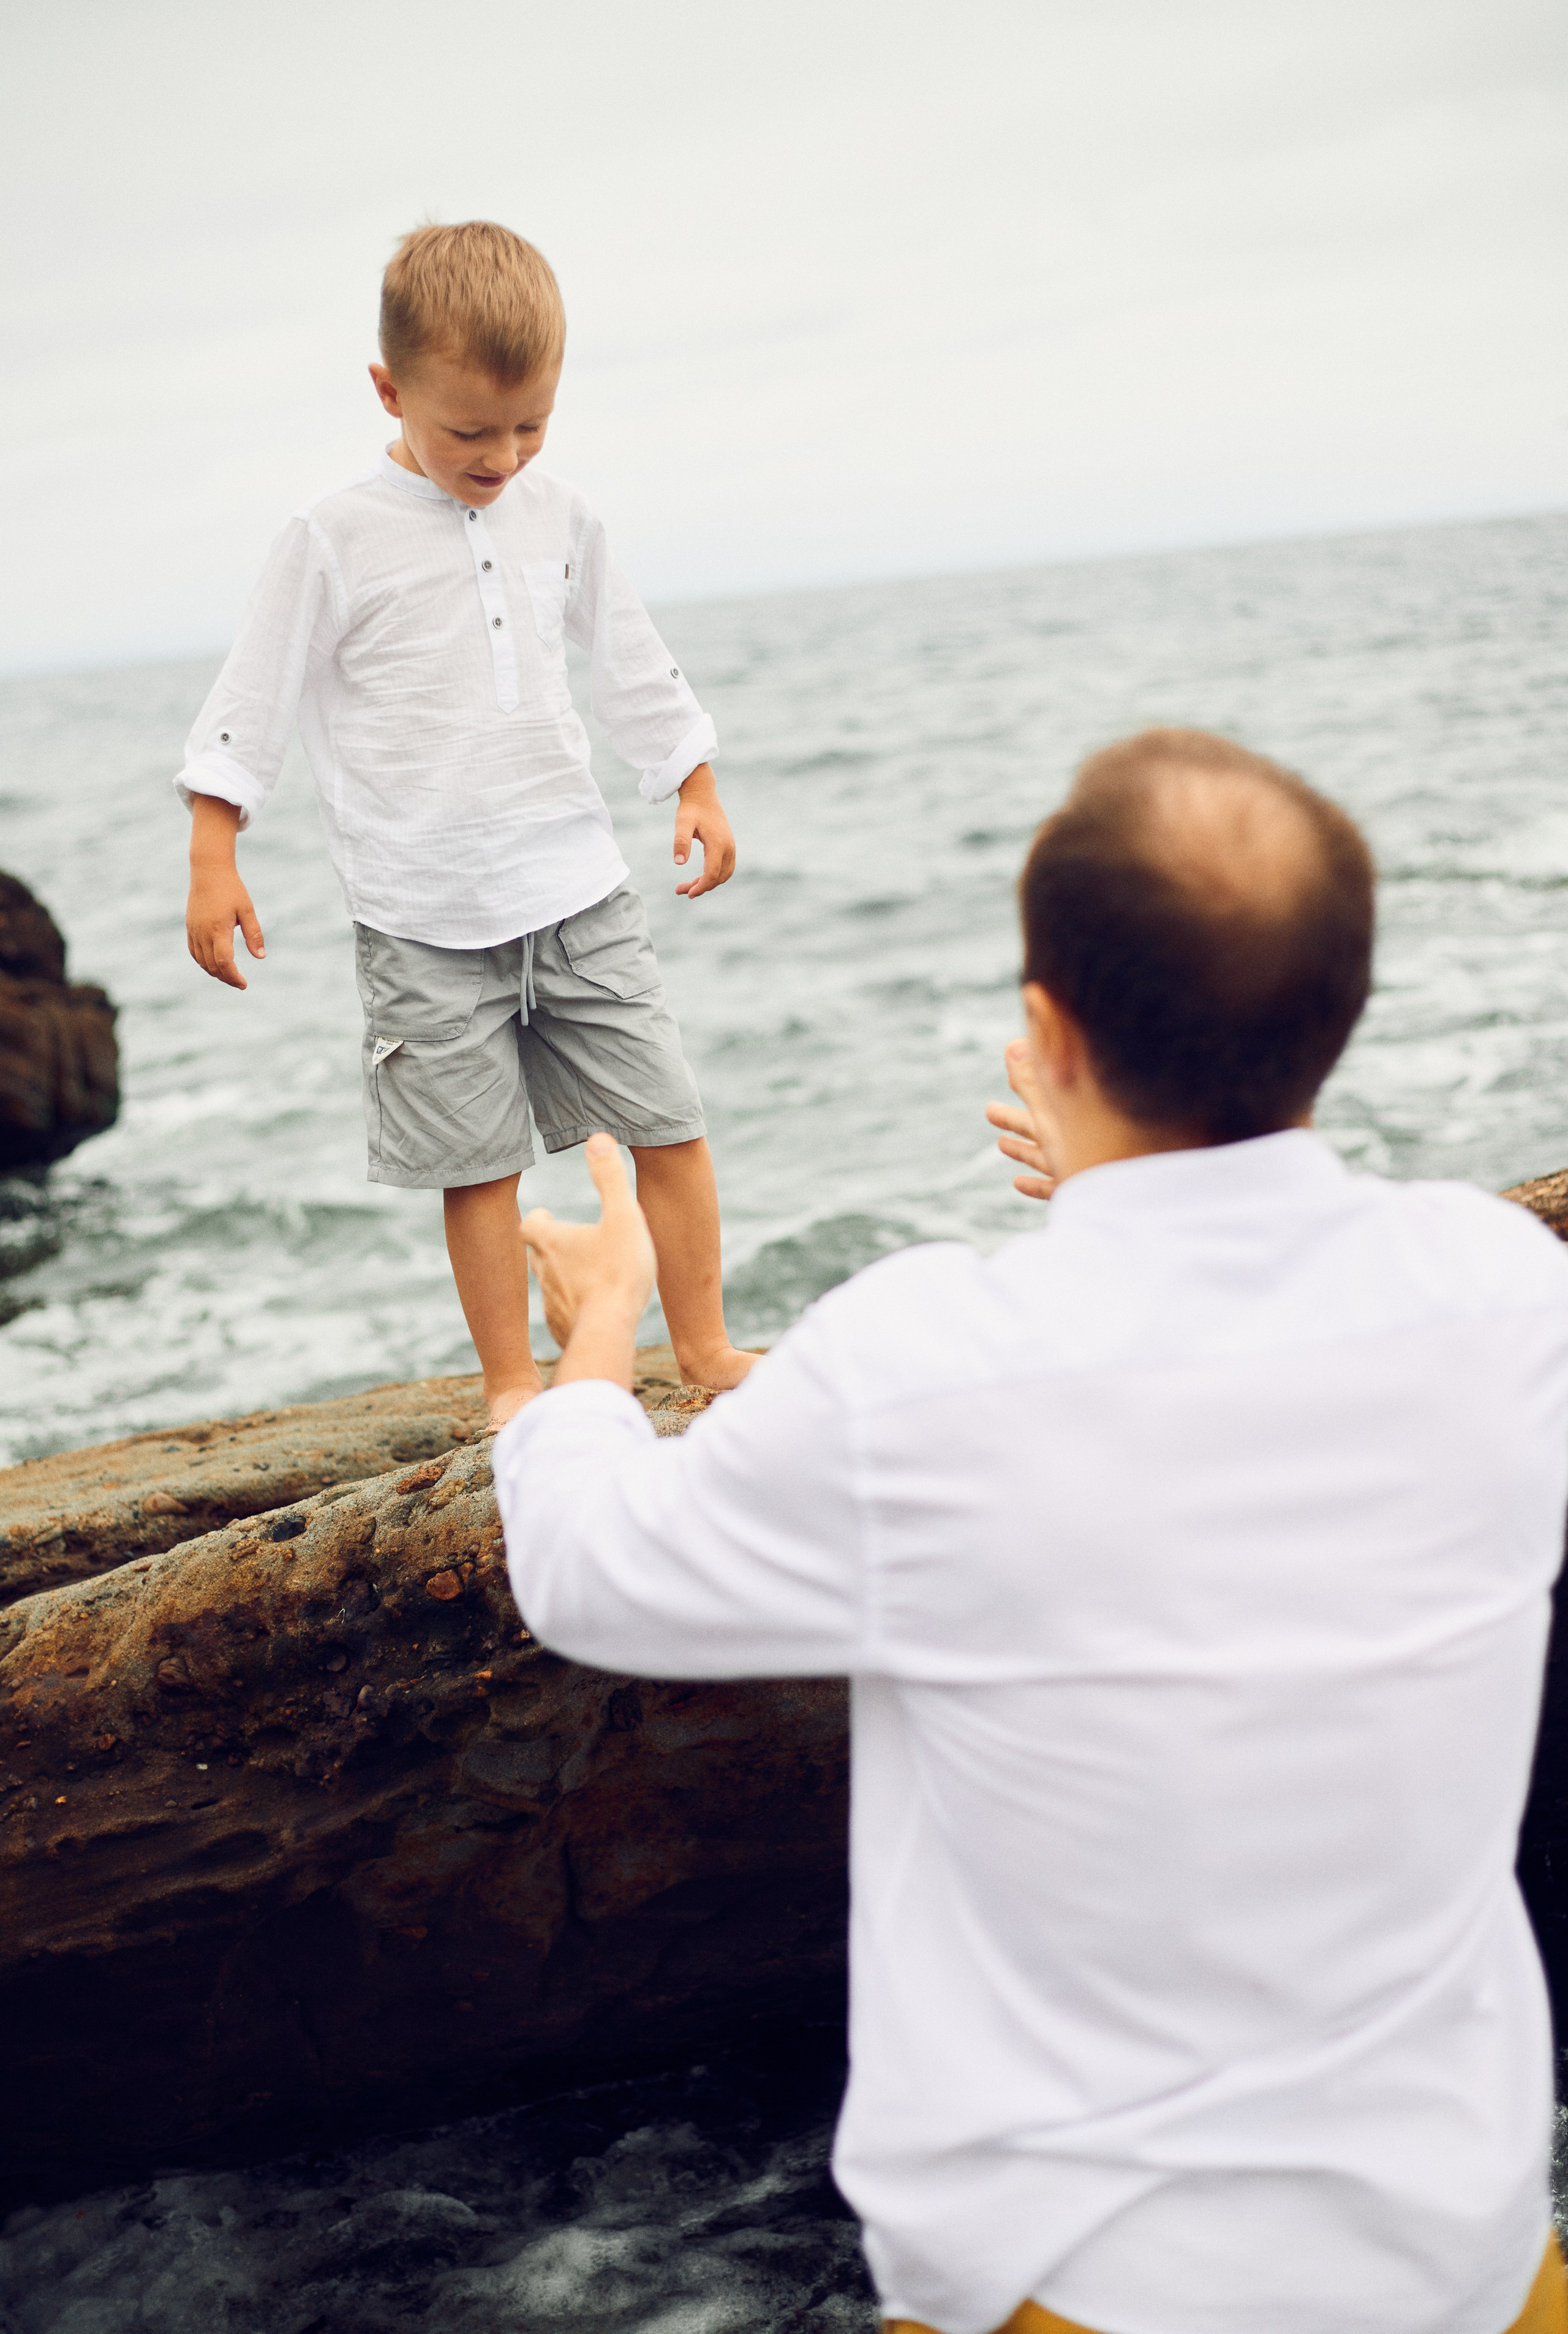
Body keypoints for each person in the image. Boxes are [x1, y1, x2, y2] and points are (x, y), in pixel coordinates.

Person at [495, 727, 1568, 2334]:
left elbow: (591, 1573)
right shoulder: (1504, 1295)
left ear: (1049, 1031)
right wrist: (1120, 1183)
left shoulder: (924, 1369)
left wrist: (596, 1329)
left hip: (1087, 2288)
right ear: (1337, 1017)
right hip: (1466, 2272)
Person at [178, 220, 755, 1425]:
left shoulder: (561, 515)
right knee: (476, 1164)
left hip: (577, 889)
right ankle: (511, 1386)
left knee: (669, 1122)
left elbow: (629, 657)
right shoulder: (331, 538)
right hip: (420, 916)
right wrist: (214, 850)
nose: (503, 458)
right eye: (470, 433)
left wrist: (691, 781)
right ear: (389, 392)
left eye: (530, 426)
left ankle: (704, 1348)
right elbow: (254, 694)